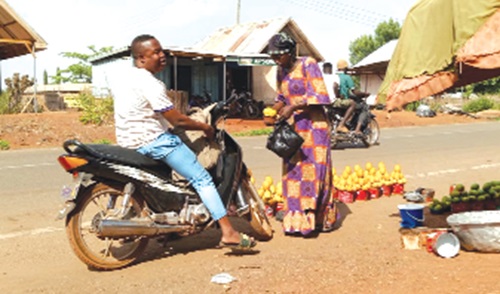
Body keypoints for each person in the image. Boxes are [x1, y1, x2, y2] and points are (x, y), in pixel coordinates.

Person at [109, 34, 256, 251]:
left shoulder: (123, 79)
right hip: (153, 142)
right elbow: (176, 119)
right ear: (141, 58)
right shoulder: (150, 83)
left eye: (162, 51)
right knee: (202, 178)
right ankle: (229, 232)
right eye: (156, 53)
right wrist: (206, 127)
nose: (162, 56)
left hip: (128, 142)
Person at [265, 32, 337, 236]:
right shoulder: (281, 70)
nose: (276, 60)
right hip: (295, 128)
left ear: (289, 52)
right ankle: (295, 220)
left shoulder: (308, 64)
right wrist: (274, 110)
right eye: (273, 58)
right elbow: (281, 96)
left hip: (315, 126)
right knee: (293, 172)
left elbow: (320, 94)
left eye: (279, 56)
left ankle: (314, 219)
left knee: (313, 173)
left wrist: (293, 107)